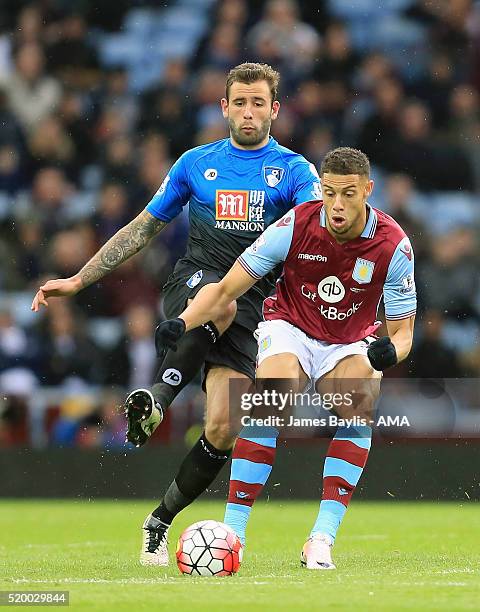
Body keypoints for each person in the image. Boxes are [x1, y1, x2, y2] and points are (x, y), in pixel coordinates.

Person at [31, 62, 321, 566]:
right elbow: (142, 228)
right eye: (240, 102)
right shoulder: (195, 163)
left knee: (224, 428)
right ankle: (161, 397)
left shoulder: (296, 171)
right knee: (220, 297)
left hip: (257, 310)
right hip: (193, 288)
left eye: (259, 103)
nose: (249, 112)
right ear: (223, 107)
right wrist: (79, 279)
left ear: (275, 110)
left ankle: (159, 521)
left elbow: (316, 236)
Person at [157, 147, 416, 569]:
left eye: (348, 194)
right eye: (329, 192)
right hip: (289, 327)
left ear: (368, 190)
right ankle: (234, 533)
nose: (336, 204)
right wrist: (183, 323)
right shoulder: (294, 224)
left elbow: (404, 332)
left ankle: (321, 538)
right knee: (270, 401)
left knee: (358, 401)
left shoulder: (393, 246)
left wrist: (390, 351)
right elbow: (225, 290)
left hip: (349, 341)